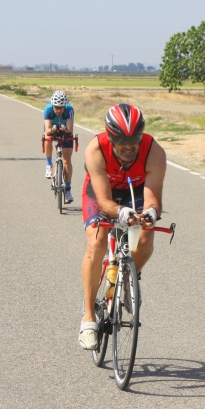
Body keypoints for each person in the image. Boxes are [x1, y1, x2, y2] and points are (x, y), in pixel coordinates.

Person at [77, 104, 166, 350]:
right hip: (100, 191)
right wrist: (121, 212)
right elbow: (104, 202)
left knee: (146, 235)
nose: (128, 146)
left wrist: (150, 212)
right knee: (97, 240)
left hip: (134, 190)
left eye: (134, 139)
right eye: (120, 140)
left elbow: (153, 199)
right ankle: (88, 318)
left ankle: (130, 274)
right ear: (109, 136)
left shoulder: (153, 151)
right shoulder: (95, 149)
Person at [43, 90, 75, 203]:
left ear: (64, 106)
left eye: (61, 108)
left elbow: (70, 130)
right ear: (52, 106)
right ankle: (49, 165)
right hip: (52, 129)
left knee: (66, 160)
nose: (58, 110)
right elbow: (47, 129)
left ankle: (68, 190)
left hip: (65, 130)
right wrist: (52, 130)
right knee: (47, 138)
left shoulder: (69, 109)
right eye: (56, 107)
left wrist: (65, 130)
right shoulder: (47, 109)